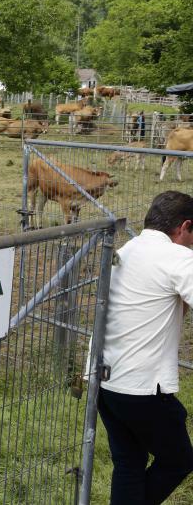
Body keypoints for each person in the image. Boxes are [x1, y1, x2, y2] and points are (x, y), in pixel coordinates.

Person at [97, 190, 193, 505]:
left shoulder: (127, 249)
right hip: (142, 389)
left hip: (107, 382)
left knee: (129, 464)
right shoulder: (178, 257)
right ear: (185, 227)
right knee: (179, 460)